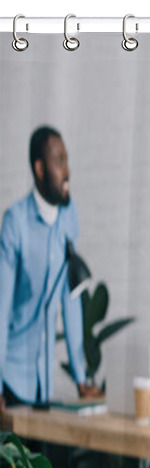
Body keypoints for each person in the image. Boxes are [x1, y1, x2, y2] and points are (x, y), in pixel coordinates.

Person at [0, 126, 100, 410]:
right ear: (40, 168)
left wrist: (81, 379)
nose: (67, 172)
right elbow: (1, 308)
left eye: (67, 161)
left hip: (44, 382)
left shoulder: (69, 216)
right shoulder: (15, 223)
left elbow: (71, 299)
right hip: (11, 380)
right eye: (59, 162)